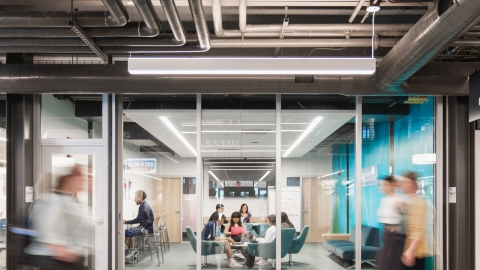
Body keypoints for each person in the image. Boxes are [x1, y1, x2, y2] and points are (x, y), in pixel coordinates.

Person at [25, 166, 91, 270]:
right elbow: (44, 229)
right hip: (56, 260)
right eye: (78, 174)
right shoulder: (51, 199)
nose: (83, 178)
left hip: (70, 258)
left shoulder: (71, 200)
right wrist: (62, 252)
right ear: (66, 178)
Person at [376, 176, 407, 270]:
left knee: (390, 264)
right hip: (387, 234)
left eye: (385, 185)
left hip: (396, 236)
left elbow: (406, 220)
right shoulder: (384, 200)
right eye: (382, 185)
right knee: (384, 263)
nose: (383, 187)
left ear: (392, 185)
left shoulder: (400, 200)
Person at [401, 172, 431, 270]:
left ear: (414, 185)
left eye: (407, 182)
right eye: (404, 182)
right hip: (411, 249)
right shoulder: (409, 201)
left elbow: (418, 229)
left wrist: (411, 251)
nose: (404, 185)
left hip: (416, 251)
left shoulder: (417, 203)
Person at [122, 190, 154, 261]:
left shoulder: (142, 206)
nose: (134, 199)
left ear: (140, 198)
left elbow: (138, 220)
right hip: (148, 228)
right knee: (128, 233)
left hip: (145, 229)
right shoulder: (145, 205)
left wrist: (126, 221)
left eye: (135, 197)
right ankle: (133, 251)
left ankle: (133, 251)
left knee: (125, 232)